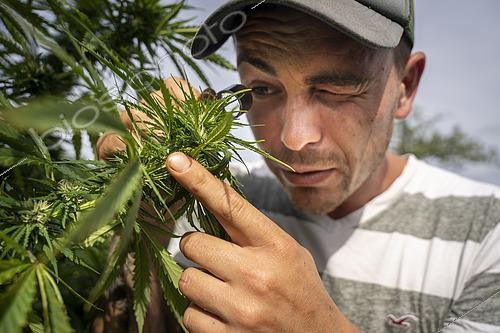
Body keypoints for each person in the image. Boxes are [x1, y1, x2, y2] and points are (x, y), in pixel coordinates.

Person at [98, 1, 500, 332]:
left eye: (336, 89)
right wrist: (143, 219)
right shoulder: (213, 202)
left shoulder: (486, 233)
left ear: (405, 86)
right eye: (262, 89)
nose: (294, 137)